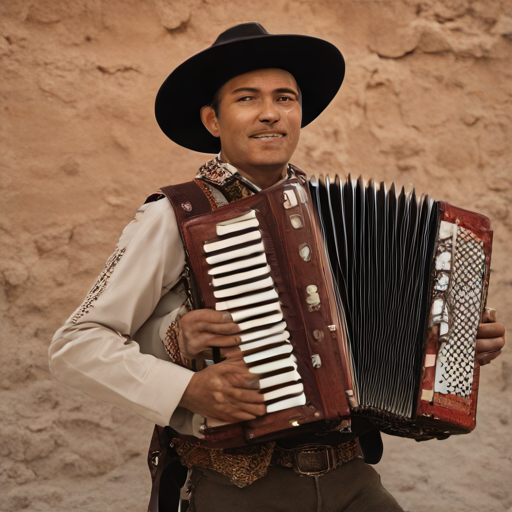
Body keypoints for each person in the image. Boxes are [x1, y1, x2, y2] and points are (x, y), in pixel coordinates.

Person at [49, 22, 505, 512]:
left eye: (285, 98)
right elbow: (76, 345)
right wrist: (188, 388)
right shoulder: (174, 215)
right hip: (240, 487)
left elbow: (373, 334)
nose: (271, 114)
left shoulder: (334, 213)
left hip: (353, 479)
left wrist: (451, 345)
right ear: (213, 121)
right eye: (247, 99)